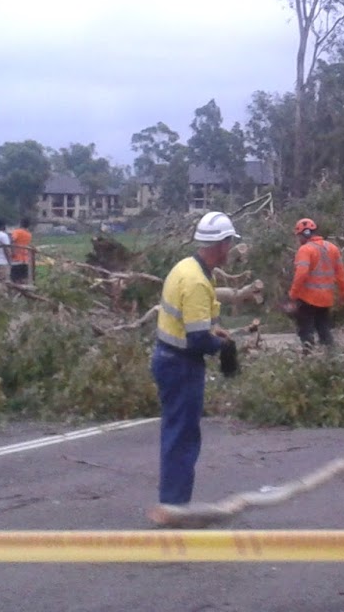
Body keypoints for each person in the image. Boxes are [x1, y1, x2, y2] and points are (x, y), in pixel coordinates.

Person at [152, 210, 239, 507]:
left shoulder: (189, 268)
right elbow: (198, 339)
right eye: (230, 242)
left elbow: (200, 323)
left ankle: (173, 502)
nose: (231, 248)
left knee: (176, 432)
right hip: (180, 365)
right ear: (222, 244)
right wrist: (223, 348)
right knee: (182, 437)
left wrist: (218, 333)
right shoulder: (197, 281)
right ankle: (175, 506)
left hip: (168, 358)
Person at [288, 217, 344, 353]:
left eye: (299, 236)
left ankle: (309, 358)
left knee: (306, 330)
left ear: (304, 234)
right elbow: (341, 274)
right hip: (326, 299)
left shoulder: (305, 250)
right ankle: (331, 357)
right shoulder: (333, 248)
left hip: (307, 299)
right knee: (324, 329)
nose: (299, 239)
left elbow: (301, 274)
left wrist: (293, 294)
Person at [8, 218, 34, 285]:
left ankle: (15, 293)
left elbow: (12, 240)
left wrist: (12, 252)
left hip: (17, 259)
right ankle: (23, 294)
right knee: (24, 279)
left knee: (14, 280)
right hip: (25, 260)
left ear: (21, 223)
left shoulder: (17, 232)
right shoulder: (29, 234)